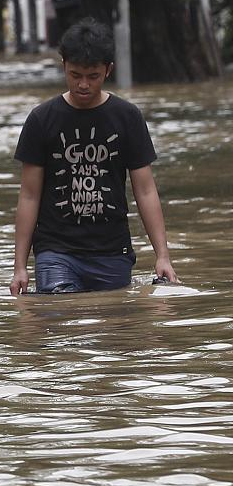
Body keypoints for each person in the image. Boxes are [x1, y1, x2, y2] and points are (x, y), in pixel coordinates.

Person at [10, 21, 179, 295]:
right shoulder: (42, 119)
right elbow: (29, 195)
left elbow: (146, 190)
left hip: (112, 252)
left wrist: (163, 256)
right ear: (63, 65)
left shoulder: (127, 117)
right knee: (60, 322)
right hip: (56, 251)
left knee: (112, 328)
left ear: (108, 70)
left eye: (93, 76)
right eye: (75, 75)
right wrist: (20, 265)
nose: (83, 85)